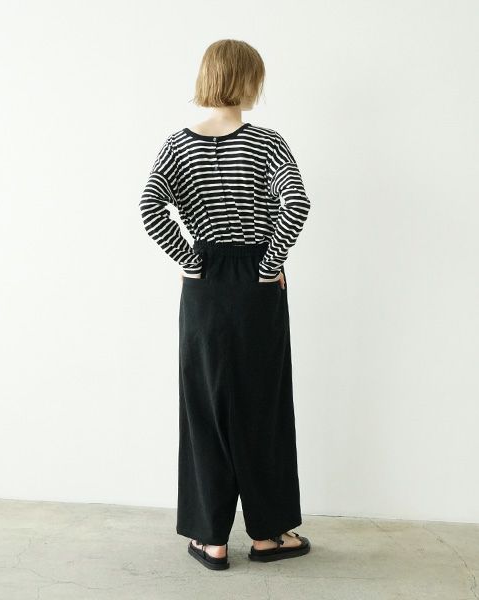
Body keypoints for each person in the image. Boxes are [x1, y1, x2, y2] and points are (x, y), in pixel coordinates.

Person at [139, 39, 312, 570]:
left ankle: (211, 539)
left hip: (206, 286)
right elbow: (297, 203)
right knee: (263, 407)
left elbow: (150, 205)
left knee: (205, 407)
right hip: (257, 286)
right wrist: (267, 264)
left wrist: (191, 260)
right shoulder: (267, 143)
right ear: (249, 80)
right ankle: (268, 536)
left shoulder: (178, 146)